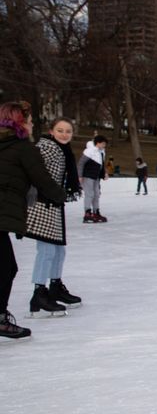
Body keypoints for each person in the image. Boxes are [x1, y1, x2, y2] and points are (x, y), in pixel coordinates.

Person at [1, 102, 67, 338]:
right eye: (29, 122)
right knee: (7, 267)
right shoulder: (23, 148)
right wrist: (61, 196)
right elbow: (42, 178)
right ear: (20, 123)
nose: (31, 126)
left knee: (6, 266)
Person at [24, 116, 82, 317]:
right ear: (51, 131)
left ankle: (55, 286)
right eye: (60, 130)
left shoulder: (63, 149)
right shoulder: (46, 147)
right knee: (47, 250)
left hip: (53, 204)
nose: (64, 134)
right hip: (41, 205)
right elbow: (32, 171)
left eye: (68, 131)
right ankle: (39, 293)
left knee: (58, 250)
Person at [78, 135, 108, 223]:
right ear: (98, 143)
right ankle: (87, 214)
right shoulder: (89, 151)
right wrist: (79, 176)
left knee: (97, 194)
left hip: (96, 176)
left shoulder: (101, 152)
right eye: (103, 143)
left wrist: (105, 173)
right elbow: (81, 163)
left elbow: (102, 164)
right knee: (89, 194)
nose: (104, 145)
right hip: (88, 176)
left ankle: (96, 212)